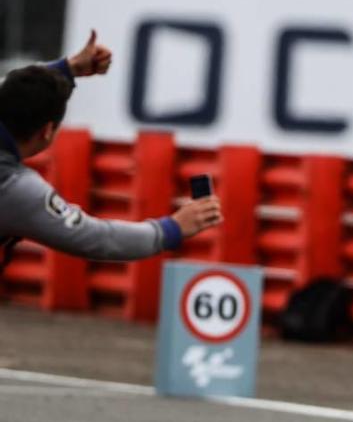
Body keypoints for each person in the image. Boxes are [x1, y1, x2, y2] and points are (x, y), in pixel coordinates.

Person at [0, 31, 222, 272]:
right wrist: (173, 228)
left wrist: (67, 68)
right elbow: (96, 238)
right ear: (47, 131)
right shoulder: (14, 187)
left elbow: (8, 85)